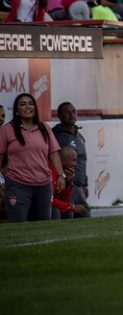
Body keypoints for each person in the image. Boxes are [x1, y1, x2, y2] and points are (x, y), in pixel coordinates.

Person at [0, 93, 65, 222]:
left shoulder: (45, 128)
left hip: (44, 186)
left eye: (30, 103)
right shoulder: (7, 129)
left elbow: (53, 152)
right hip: (17, 185)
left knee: (43, 226)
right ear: (16, 110)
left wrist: (60, 175)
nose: (27, 107)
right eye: (23, 104)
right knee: (18, 225)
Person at [52, 102, 91, 218]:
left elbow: (83, 161)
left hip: (79, 187)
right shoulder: (55, 136)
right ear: (59, 116)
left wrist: (85, 184)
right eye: (67, 112)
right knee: (68, 217)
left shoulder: (80, 136)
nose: (71, 114)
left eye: (73, 111)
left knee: (85, 217)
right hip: (65, 187)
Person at [50, 146, 88, 219]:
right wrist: (72, 207)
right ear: (63, 161)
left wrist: (69, 183)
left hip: (53, 205)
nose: (76, 164)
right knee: (56, 211)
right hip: (44, 206)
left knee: (71, 212)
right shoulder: (51, 172)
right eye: (73, 160)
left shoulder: (63, 173)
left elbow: (64, 199)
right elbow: (50, 199)